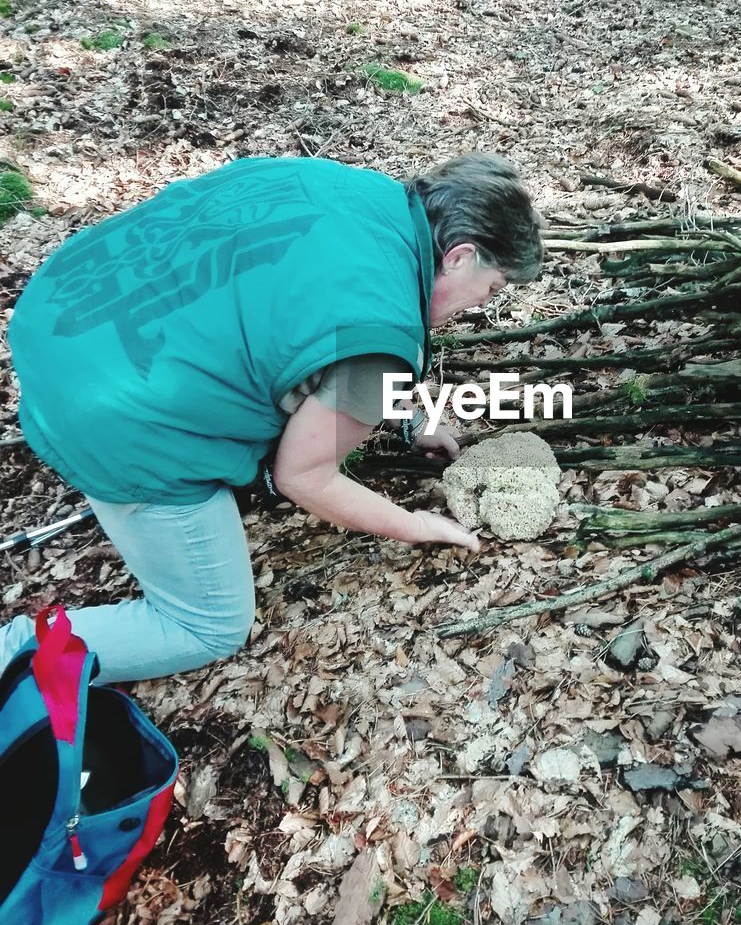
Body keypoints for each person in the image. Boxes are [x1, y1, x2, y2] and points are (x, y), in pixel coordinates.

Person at [0, 153, 543, 684]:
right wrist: (420, 526)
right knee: (209, 626)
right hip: (112, 418)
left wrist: (406, 413)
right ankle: (13, 654)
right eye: (491, 288)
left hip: (60, 313)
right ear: (459, 256)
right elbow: (304, 477)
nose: (480, 306)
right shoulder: (381, 342)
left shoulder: (352, 189)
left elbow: (324, 315)